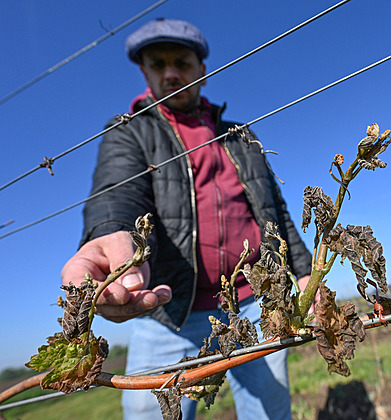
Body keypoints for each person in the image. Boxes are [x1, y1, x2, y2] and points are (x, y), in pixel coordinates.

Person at [61, 18, 312, 420]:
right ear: (145, 74)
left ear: (203, 71)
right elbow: (118, 193)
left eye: (181, 61)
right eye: (158, 64)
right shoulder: (131, 133)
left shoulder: (239, 136)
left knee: (270, 410)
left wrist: (302, 272)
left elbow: (275, 213)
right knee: (150, 414)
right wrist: (109, 235)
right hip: (170, 313)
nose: (171, 73)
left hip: (255, 302)